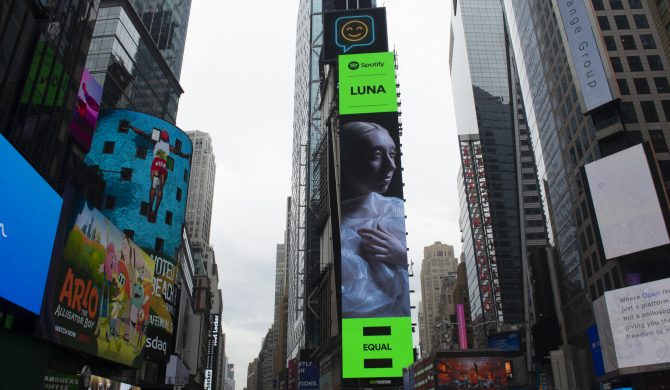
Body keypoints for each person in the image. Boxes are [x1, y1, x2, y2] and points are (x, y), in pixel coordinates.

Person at [339, 121, 410, 318]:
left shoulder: (397, 209)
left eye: (392, 154)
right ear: (345, 163)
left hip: (397, 330)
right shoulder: (329, 225)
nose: (391, 165)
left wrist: (401, 255)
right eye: (376, 156)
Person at [127, 123, 190, 223]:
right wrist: (186, 155)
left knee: (154, 187)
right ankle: (155, 211)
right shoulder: (169, 146)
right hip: (163, 167)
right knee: (160, 189)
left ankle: (150, 209)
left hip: (157, 165)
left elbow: (141, 133)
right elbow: (179, 153)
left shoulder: (156, 142)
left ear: (161, 137)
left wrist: (131, 127)